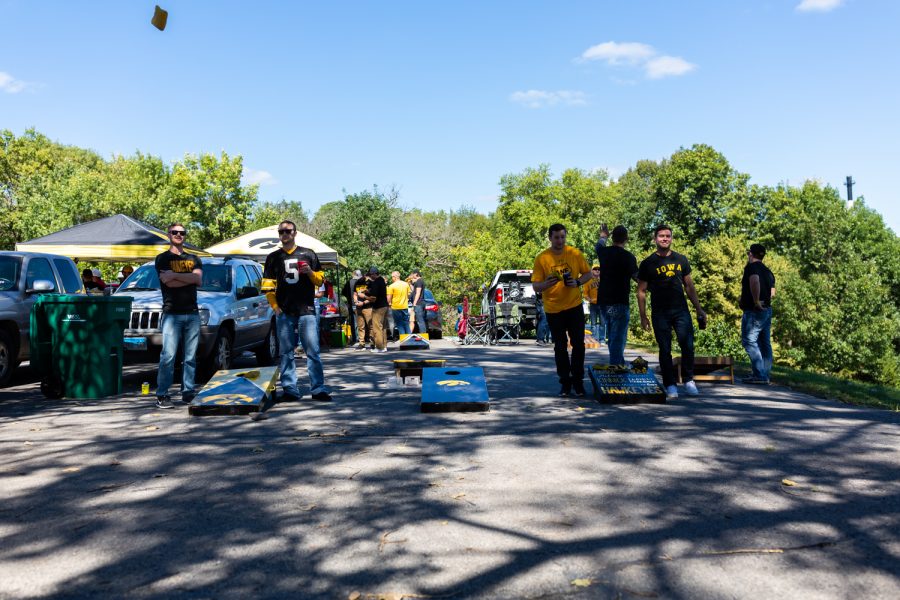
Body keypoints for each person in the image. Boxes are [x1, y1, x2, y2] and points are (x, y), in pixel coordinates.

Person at [262, 220, 332, 402]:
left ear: (295, 232)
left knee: (313, 351)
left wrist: (309, 272)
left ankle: (318, 388)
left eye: (287, 231)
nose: (284, 234)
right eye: (281, 231)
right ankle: (290, 389)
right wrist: (275, 308)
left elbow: (319, 281)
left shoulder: (308, 253)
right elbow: (268, 287)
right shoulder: (273, 257)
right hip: (284, 312)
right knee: (285, 352)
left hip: (306, 310)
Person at [637, 224, 706, 399]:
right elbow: (641, 291)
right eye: (661, 236)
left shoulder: (681, 260)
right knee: (665, 348)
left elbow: (689, 286)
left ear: (671, 238)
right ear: (655, 239)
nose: (665, 239)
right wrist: (643, 316)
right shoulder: (647, 263)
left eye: (668, 236)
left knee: (687, 345)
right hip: (660, 313)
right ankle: (670, 384)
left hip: (681, 310)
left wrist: (699, 308)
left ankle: (689, 380)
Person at [531, 223, 594, 397]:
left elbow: (588, 274)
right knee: (560, 347)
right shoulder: (542, 258)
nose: (560, 240)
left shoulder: (574, 253)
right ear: (550, 238)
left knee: (578, 345)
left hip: (574, 306)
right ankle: (565, 383)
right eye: (556, 237)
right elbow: (535, 286)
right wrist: (546, 284)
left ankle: (578, 382)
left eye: (562, 237)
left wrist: (578, 282)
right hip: (553, 309)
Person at [155, 223, 203, 409]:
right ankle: (162, 394)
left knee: (190, 357)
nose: (179, 235)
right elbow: (168, 284)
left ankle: (188, 391)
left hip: (192, 313)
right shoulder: (162, 259)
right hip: (171, 314)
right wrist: (187, 278)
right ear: (168, 235)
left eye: (182, 233)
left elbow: (198, 280)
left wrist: (174, 275)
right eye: (175, 232)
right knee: (168, 356)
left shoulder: (194, 258)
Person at [595, 224, 639, 366]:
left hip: (603, 302)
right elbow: (637, 277)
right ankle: (615, 367)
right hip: (620, 301)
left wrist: (603, 235)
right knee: (618, 337)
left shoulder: (604, 253)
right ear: (626, 239)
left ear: (612, 237)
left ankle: (619, 363)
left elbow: (599, 245)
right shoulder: (629, 257)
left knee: (612, 337)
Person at [740, 243, 776, 384]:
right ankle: (764, 375)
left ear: (750, 254)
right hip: (767, 310)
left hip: (755, 310)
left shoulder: (751, 268)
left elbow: (754, 281)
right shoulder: (768, 272)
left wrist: (755, 301)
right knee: (764, 343)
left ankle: (760, 375)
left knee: (749, 341)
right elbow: (772, 293)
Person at [360, 267, 389, 353]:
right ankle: (384, 346)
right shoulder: (382, 280)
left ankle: (379, 347)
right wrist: (368, 291)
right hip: (384, 306)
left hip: (378, 307)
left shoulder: (376, 282)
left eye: (370, 275)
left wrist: (364, 296)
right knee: (383, 327)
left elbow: (373, 298)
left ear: (374, 274)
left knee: (376, 328)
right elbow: (377, 292)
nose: (370, 277)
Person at [583, 265, 604, 343]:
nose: (597, 270)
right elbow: (585, 293)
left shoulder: (604, 280)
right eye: (595, 269)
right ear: (592, 271)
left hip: (602, 304)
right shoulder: (588, 281)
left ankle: (602, 340)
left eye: (599, 269)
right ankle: (594, 339)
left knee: (603, 323)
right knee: (593, 323)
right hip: (593, 305)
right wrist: (589, 299)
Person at [341, 269, 363, 345]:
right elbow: (362, 293)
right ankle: (361, 338)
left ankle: (355, 339)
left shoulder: (348, 282)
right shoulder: (360, 282)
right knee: (361, 322)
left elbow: (343, 292)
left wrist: (348, 298)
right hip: (359, 304)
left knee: (354, 322)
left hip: (351, 304)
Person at [387, 270, 412, 337]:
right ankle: (409, 338)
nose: (392, 278)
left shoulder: (392, 286)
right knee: (406, 323)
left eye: (392, 277)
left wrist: (387, 304)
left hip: (396, 307)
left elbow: (389, 298)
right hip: (404, 306)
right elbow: (409, 294)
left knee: (399, 324)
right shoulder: (406, 284)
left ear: (395, 277)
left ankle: (403, 339)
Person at [409, 269, 427, 335]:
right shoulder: (419, 281)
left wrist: (414, 304)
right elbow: (414, 291)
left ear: (416, 274)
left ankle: (423, 335)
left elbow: (418, 293)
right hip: (419, 303)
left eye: (413, 274)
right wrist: (411, 284)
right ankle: (423, 334)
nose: (412, 276)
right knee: (420, 320)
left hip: (418, 303)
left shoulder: (419, 281)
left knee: (420, 320)